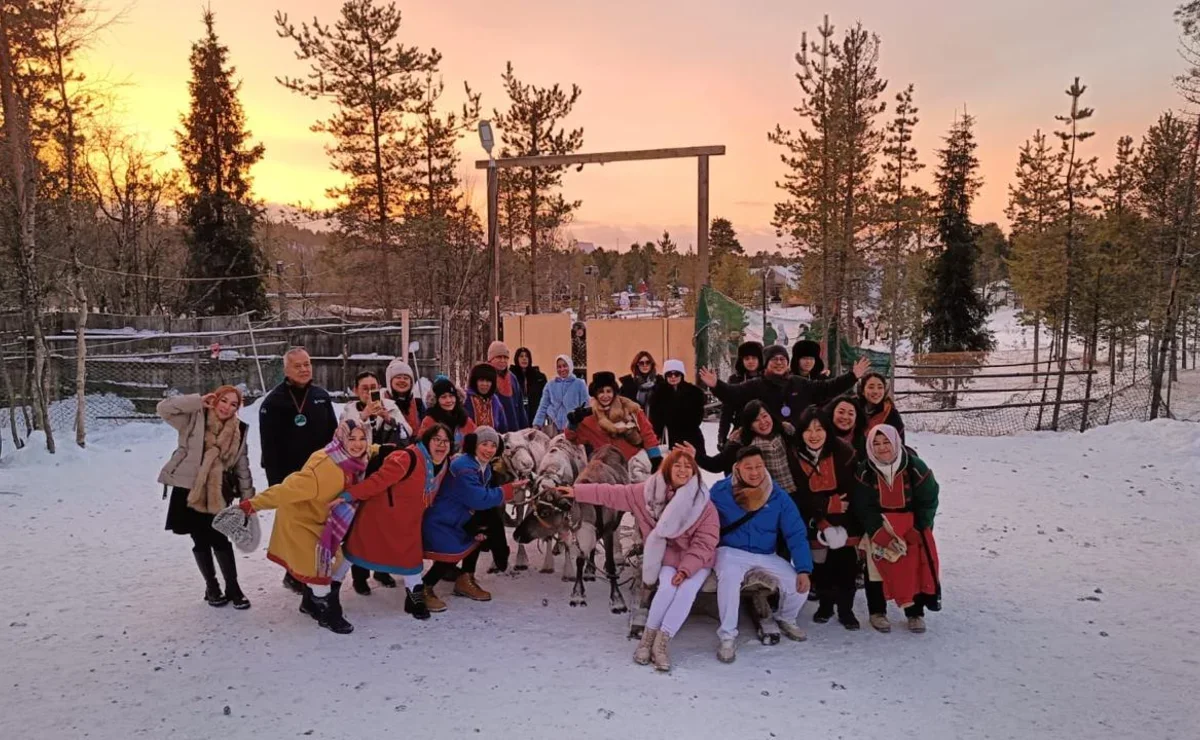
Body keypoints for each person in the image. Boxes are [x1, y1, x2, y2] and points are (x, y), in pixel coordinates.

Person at [558, 447, 718, 672]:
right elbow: (611, 493)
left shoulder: (702, 503)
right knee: (666, 589)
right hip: (666, 557)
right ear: (667, 469)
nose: (682, 470)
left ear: (695, 472)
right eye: (677, 465)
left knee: (686, 591)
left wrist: (686, 569)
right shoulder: (647, 494)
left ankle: (661, 643)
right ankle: (647, 639)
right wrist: (576, 492)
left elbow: (706, 542)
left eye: (688, 466)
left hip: (696, 561)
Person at [239, 418, 373, 634]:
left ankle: (309, 603)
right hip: (300, 521)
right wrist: (251, 505)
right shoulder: (324, 468)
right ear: (340, 439)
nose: (358, 444)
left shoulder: (357, 459)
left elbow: (372, 450)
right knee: (320, 569)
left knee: (336, 562)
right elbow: (285, 490)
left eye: (362, 438)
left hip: (320, 518)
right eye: (351, 439)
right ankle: (328, 614)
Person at [339, 423, 454, 619]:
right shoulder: (406, 458)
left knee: (411, 559)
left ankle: (414, 600)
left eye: (446, 441)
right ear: (427, 441)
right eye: (437, 440)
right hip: (378, 517)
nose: (441, 445)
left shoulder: (445, 463)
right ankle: (325, 594)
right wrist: (348, 495)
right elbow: (376, 482)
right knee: (353, 553)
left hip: (409, 522)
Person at [710, 446, 813, 663]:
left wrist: (803, 568)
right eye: (748, 467)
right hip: (731, 550)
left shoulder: (777, 494)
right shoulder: (720, 491)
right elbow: (702, 520)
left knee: (798, 585)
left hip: (765, 553)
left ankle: (786, 617)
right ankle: (727, 636)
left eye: (759, 466)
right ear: (737, 468)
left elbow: (795, 532)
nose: (755, 472)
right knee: (729, 578)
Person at [157, 386, 254, 610]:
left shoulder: (239, 430)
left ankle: (233, 588)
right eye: (224, 400)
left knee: (220, 538)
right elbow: (163, 409)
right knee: (200, 539)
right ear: (215, 399)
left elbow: (242, 468)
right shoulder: (193, 418)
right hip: (189, 489)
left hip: (218, 492)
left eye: (233, 404)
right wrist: (197, 401)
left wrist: (248, 499)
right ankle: (212, 587)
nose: (227, 407)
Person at [420, 427, 526, 608]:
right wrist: (507, 490)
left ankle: (465, 578)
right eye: (484, 444)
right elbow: (479, 499)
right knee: (450, 553)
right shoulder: (464, 467)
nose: (489, 449)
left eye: (493, 445)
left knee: (478, 536)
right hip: (443, 520)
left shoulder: (482, 466)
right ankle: (424, 589)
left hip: (459, 517)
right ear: (474, 444)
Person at [853, 424, 940, 634]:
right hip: (879, 525)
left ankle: (914, 612)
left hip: (910, 527)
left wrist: (919, 528)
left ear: (895, 442)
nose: (882, 447)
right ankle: (877, 611)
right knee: (875, 569)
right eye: (876, 443)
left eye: (886, 442)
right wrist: (878, 532)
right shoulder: (865, 470)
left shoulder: (915, 467)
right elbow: (862, 505)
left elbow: (929, 500)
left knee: (912, 568)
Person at [792, 406, 861, 630]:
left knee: (846, 566)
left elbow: (852, 489)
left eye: (819, 429)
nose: (814, 435)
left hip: (846, 519)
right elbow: (799, 493)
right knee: (821, 567)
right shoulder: (794, 456)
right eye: (808, 430)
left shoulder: (843, 452)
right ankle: (825, 606)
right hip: (814, 520)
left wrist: (839, 511)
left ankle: (846, 610)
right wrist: (826, 506)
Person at [699, 344, 868, 425]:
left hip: (796, 442)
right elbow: (732, 394)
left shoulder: (799, 383)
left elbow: (828, 388)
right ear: (766, 364)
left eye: (782, 359)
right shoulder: (755, 385)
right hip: (766, 443)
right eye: (774, 359)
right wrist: (716, 385)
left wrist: (852, 376)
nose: (779, 363)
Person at [259, 347, 338, 486]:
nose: (304, 369)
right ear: (286, 370)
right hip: (289, 478)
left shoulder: (321, 396)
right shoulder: (273, 402)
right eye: (297, 366)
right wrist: (276, 486)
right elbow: (269, 450)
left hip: (321, 473)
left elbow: (334, 437)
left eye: (307, 364)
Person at [692, 401, 804, 492]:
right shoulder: (741, 441)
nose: (763, 422)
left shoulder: (785, 431)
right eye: (756, 420)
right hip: (764, 496)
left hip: (794, 491)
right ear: (749, 425)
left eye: (765, 416)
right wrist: (696, 455)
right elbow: (716, 464)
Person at [566, 371, 662, 465]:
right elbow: (572, 438)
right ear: (595, 394)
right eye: (601, 392)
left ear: (614, 392)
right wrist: (572, 423)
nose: (605, 396)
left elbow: (647, 434)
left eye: (609, 391)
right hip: (604, 466)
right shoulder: (589, 417)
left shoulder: (631, 409)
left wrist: (655, 458)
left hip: (632, 464)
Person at [648, 359, 706, 451]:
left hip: (691, 437)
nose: (673, 377)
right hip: (668, 438)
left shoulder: (694, 393)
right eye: (669, 374)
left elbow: (698, 416)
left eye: (676, 374)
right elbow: (655, 419)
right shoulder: (658, 393)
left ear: (682, 375)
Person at [342, 371, 407, 447]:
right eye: (365, 389)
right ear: (356, 391)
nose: (369, 392)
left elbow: (408, 431)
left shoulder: (390, 406)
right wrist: (362, 417)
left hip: (388, 452)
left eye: (373, 388)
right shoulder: (349, 411)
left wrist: (389, 420)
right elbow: (342, 438)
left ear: (379, 388)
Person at [718, 341, 764, 447]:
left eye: (754, 358)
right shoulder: (735, 380)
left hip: (764, 426)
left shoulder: (766, 378)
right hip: (740, 428)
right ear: (741, 360)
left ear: (760, 359)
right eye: (747, 358)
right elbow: (727, 410)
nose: (750, 361)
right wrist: (722, 436)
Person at [532, 354, 589, 435]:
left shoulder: (579, 384)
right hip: (551, 424)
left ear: (570, 366)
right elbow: (543, 406)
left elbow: (586, 405)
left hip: (571, 424)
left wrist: (585, 426)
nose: (562, 369)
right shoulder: (550, 385)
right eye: (559, 367)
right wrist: (536, 424)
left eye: (565, 366)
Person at [420, 376, 476, 451]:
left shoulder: (465, 420)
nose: (448, 400)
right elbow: (422, 446)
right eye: (443, 397)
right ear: (436, 400)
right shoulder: (430, 421)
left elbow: (476, 439)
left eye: (451, 396)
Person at [487, 341, 528, 432]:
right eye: (499, 357)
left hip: (513, 430)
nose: (503, 360)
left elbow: (520, 406)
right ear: (491, 359)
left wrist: (525, 430)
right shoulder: (485, 377)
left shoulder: (512, 378)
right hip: (494, 430)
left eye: (505, 357)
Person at [383, 359, 425, 444]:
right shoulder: (383, 403)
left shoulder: (418, 404)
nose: (402, 381)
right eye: (398, 377)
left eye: (406, 378)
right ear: (390, 381)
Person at [857, 372, 905, 442]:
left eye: (880, 387)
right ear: (862, 391)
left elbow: (899, 444)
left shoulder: (891, 414)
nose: (876, 391)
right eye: (871, 387)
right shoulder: (853, 410)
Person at [465, 362, 508, 432]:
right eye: (481, 380)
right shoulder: (466, 399)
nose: (484, 384)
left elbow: (503, 427)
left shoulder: (495, 401)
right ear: (475, 381)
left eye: (488, 381)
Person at [511, 347, 547, 429]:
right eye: (521, 356)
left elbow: (545, 399)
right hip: (517, 417)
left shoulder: (539, 377)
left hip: (535, 418)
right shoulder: (511, 376)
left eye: (526, 356)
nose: (524, 358)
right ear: (516, 359)